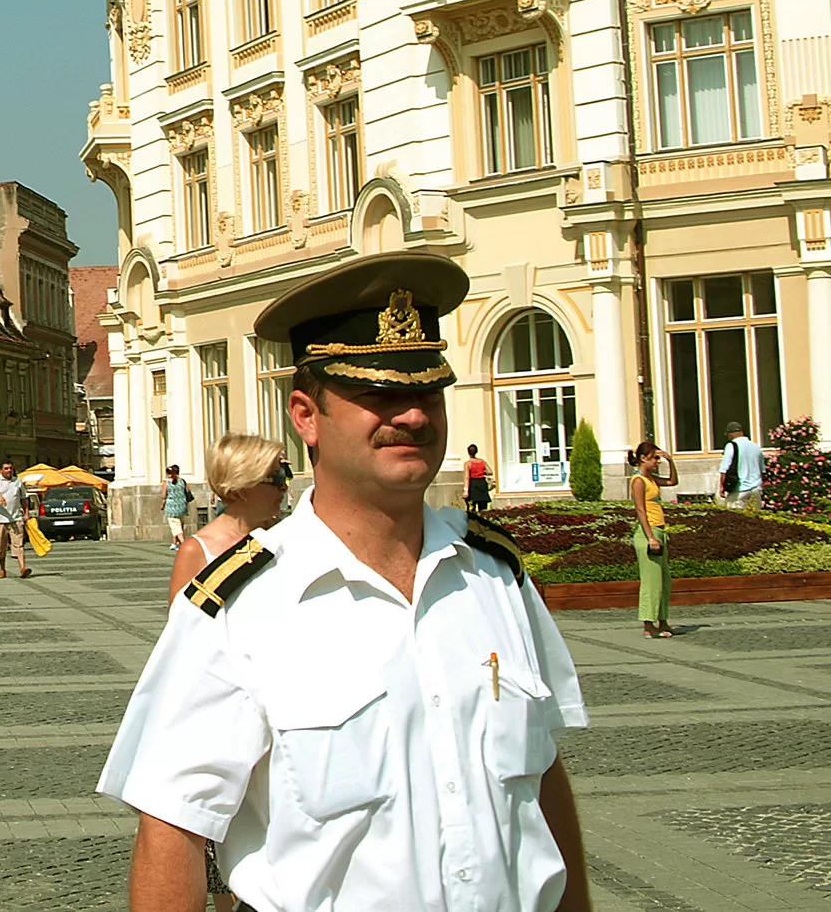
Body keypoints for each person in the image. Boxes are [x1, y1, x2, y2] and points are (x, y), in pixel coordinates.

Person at [101, 251, 591, 912]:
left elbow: (542, 783)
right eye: (380, 395)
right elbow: (172, 831)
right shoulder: (239, 606)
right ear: (306, 415)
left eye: (425, 392)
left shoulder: (495, 578)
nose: (413, 416)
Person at [161, 434, 290, 912]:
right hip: (221, 713)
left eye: (285, 473)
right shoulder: (199, 550)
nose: (285, 486)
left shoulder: (286, 542)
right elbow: (181, 645)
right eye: (275, 477)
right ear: (239, 486)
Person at [631, 441, 679, 639]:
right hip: (647, 534)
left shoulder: (650, 479)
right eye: (655, 458)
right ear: (643, 458)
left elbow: (672, 482)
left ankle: (663, 620)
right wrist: (650, 536)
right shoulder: (639, 481)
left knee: (664, 581)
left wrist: (670, 460)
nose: (657, 462)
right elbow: (640, 509)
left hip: (660, 531)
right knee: (651, 582)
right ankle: (648, 625)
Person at [0, 462, 31, 579]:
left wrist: (26, 513)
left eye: (11, 468)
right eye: (6, 468)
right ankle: (2, 570)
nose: (9, 470)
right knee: (1, 547)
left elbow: (24, 498)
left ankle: (23, 568)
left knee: (19, 544)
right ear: (1, 470)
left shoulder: (17, 481)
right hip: (0, 519)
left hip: (16, 518)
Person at [720, 422, 765, 511]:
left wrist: (722, 487)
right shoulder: (755, 446)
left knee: (735, 516)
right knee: (755, 517)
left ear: (731, 434)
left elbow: (724, 469)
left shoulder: (731, 446)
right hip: (756, 488)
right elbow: (762, 470)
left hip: (739, 489)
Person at [161, 465, 192, 550]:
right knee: (179, 525)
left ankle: (183, 543)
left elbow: (164, 496)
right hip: (182, 506)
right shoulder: (182, 481)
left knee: (176, 527)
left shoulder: (167, 483)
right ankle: (174, 543)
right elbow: (188, 491)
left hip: (171, 508)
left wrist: (163, 505)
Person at [464, 443, 492, 515]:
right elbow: (490, 472)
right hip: (482, 484)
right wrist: (483, 473)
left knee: (471, 508)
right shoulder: (482, 461)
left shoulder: (468, 464)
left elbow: (467, 477)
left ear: (468, 452)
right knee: (483, 508)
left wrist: (466, 490)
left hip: (473, 484)